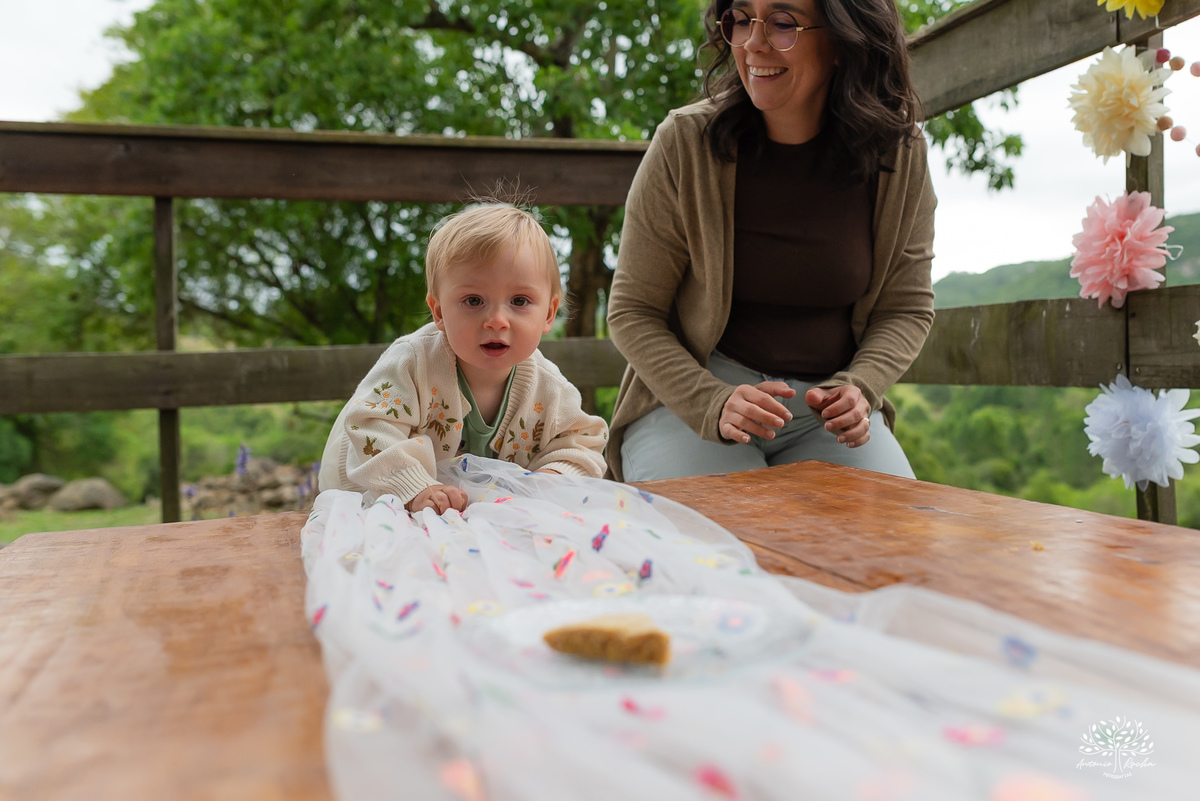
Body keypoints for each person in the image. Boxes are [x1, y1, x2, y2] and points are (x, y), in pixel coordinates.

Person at [606, 0, 935, 482]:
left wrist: (860, 386)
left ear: (843, 42)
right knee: (718, 550)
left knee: (891, 548)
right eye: (740, 19)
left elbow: (906, 308)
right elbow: (633, 311)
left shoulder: (901, 156)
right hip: (689, 406)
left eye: (782, 23)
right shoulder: (685, 142)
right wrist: (711, 401)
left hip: (825, 420)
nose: (753, 43)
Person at [318, 202, 608, 513]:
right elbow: (370, 426)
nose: (497, 320)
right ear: (439, 311)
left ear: (549, 313)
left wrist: (548, 480)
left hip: (463, 513)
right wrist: (416, 488)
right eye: (473, 300)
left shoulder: (550, 388)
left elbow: (582, 443)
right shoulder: (414, 363)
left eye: (519, 301)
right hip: (371, 499)